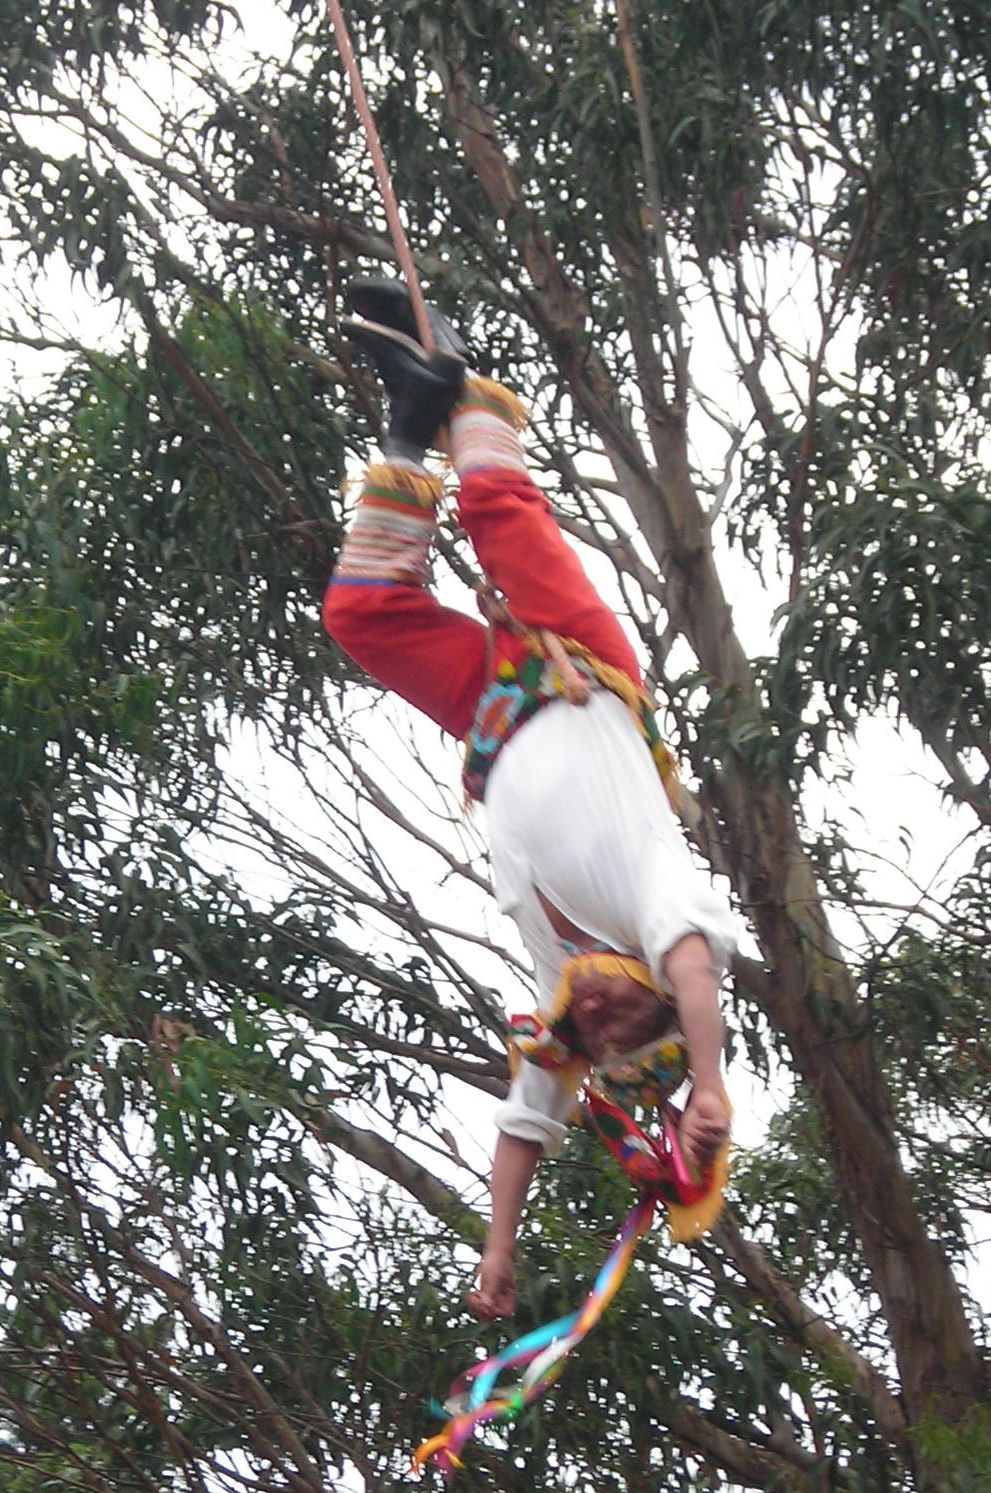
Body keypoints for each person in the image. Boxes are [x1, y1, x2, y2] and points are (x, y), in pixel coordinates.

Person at [322, 280, 739, 1321]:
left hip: (493, 719)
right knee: (499, 509)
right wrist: (713, 1087)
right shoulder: (655, 906)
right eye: (626, 1020)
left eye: (599, 1041)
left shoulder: (563, 985)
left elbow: (526, 1127)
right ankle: (458, 371)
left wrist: (496, 1253)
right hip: (586, 671)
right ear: (659, 1004)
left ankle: (413, 419)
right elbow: (695, 963)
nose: (598, 1019)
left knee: (363, 615)